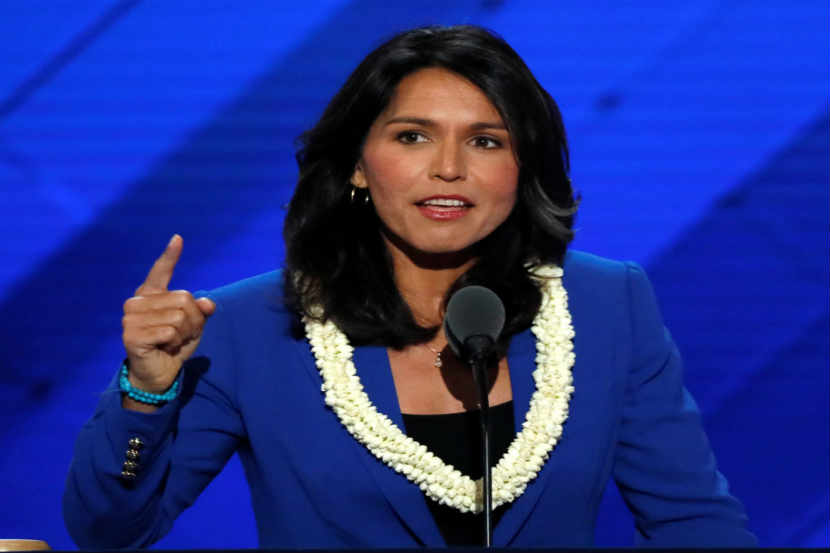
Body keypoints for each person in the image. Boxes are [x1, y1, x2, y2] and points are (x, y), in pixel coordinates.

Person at [63, 25, 756, 548]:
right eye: (413, 137)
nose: (449, 168)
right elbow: (110, 531)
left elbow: (694, 520)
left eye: (486, 141)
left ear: (522, 168)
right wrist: (146, 391)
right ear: (358, 164)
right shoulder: (249, 327)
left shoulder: (605, 305)